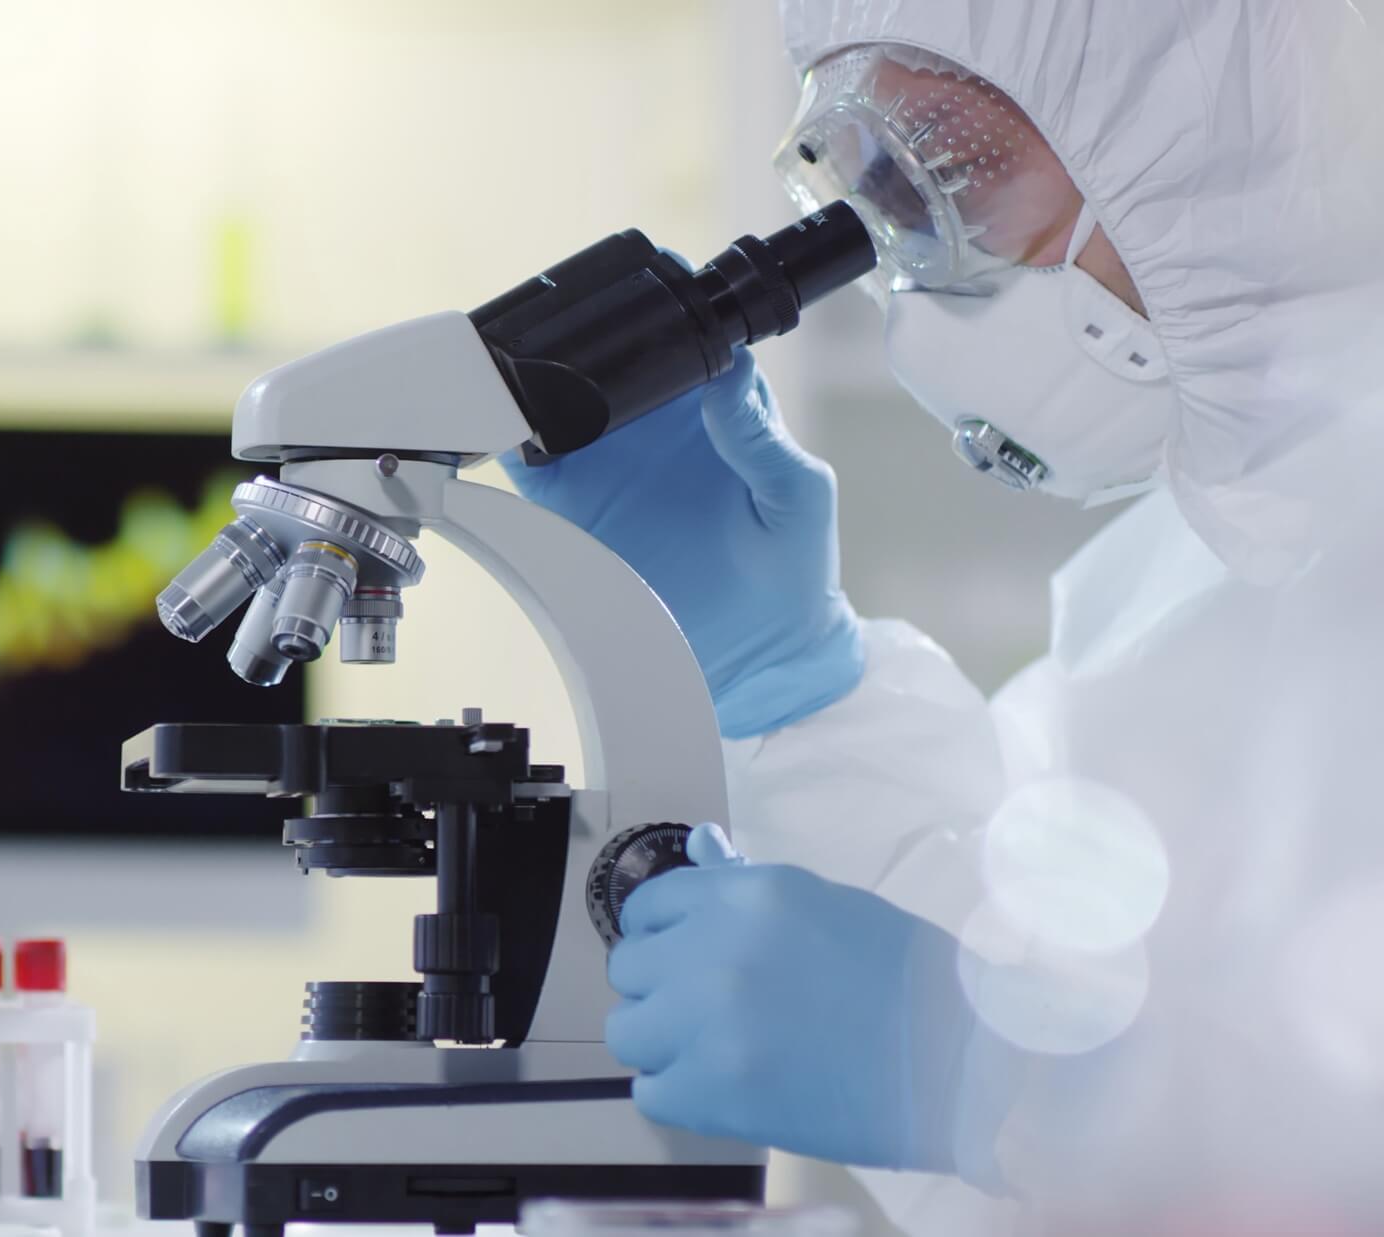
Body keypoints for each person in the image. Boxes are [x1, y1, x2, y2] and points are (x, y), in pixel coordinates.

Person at [504, 2, 1384, 1233]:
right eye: (864, 183)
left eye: (943, 166)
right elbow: (1024, 1061)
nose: (898, 260)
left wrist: (1026, 1090)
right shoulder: (1179, 608)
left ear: (1226, 124)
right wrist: (792, 699)